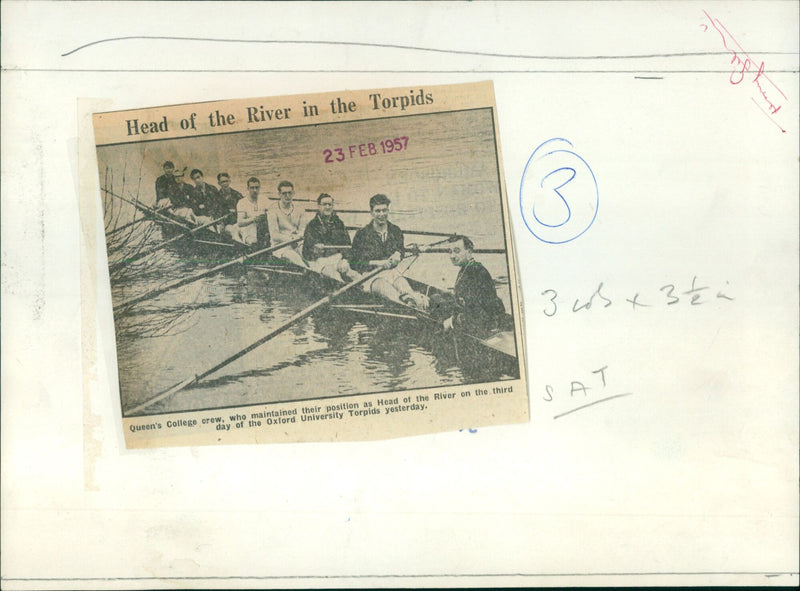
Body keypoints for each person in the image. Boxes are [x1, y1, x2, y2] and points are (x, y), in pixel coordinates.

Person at [349, 193, 427, 309]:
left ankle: (414, 301)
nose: (381, 214)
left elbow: (401, 250)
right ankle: (405, 305)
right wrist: (378, 263)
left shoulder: (395, 231)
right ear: (371, 213)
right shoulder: (362, 234)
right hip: (370, 277)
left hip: (391, 274)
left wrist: (398, 255)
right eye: (378, 211)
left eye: (384, 210)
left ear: (388, 211)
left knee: (401, 282)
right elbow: (354, 263)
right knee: (385, 287)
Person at [441, 235, 506, 337]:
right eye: (450, 251)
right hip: (479, 318)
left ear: (469, 251)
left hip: (486, 324)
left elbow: (479, 313)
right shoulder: (467, 268)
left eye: (457, 251)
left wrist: (452, 321)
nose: (452, 256)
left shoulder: (476, 272)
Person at [302, 193, 360, 282]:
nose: (327, 207)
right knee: (334, 275)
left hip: (337, 259)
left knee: (355, 276)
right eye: (324, 204)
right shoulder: (312, 225)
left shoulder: (339, 223)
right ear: (318, 206)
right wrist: (314, 250)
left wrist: (345, 260)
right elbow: (306, 252)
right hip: (319, 262)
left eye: (330, 204)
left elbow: (347, 245)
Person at [267, 180, 307, 267]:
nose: (287, 196)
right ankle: (308, 271)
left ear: (293, 193)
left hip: (297, 242)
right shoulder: (272, 210)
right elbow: (274, 235)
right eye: (284, 193)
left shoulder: (300, 209)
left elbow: (303, 230)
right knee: (294, 257)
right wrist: (290, 239)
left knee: (308, 255)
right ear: (279, 194)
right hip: (280, 246)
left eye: (290, 193)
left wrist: (296, 238)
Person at [237, 177, 270, 247]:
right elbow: (240, 222)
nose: (255, 190)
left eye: (257, 187)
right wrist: (254, 219)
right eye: (252, 188)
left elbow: (273, 212)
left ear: (259, 188)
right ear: (248, 188)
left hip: (263, 230)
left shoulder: (264, 199)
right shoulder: (242, 202)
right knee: (254, 243)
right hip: (249, 231)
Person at [217, 172, 243, 238]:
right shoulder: (216, 196)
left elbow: (244, 209)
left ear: (229, 181)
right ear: (219, 183)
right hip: (226, 225)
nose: (225, 184)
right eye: (223, 182)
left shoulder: (237, 195)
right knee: (233, 231)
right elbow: (215, 212)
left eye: (226, 181)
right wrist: (220, 223)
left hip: (238, 223)